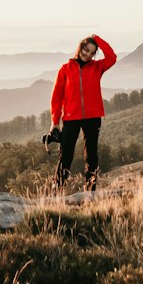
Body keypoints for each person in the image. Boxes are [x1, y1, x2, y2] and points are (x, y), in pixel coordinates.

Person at [50, 33, 117, 191]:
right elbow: (57, 97)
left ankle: (90, 190)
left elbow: (112, 57)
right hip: (71, 117)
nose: (87, 55)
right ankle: (57, 189)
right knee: (65, 154)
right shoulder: (65, 69)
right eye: (86, 50)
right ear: (80, 48)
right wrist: (55, 121)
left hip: (93, 117)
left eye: (92, 53)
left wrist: (96, 38)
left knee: (91, 155)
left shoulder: (97, 67)